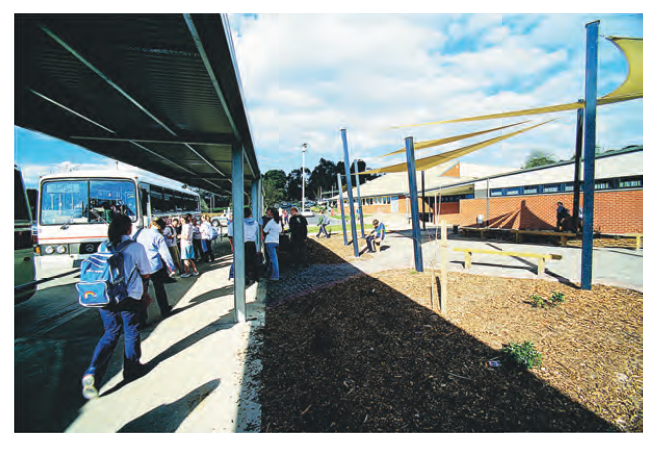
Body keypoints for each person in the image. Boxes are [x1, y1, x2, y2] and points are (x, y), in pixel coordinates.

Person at [81, 214, 151, 400]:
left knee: (110, 333)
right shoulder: (136, 247)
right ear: (128, 229)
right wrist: (145, 290)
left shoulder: (103, 246)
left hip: (105, 296)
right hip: (129, 297)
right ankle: (131, 368)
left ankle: (93, 373)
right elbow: (145, 272)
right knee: (131, 330)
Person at [134, 218, 177, 323]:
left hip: (139, 266)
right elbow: (165, 254)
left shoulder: (139, 232)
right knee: (159, 289)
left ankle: (142, 319)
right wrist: (172, 267)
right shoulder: (157, 236)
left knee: (142, 292)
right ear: (161, 228)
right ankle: (164, 309)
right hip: (154, 267)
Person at [262, 207, 281, 281]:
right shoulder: (278, 221)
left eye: (269, 212)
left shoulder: (271, 222)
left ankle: (275, 276)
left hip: (270, 242)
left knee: (273, 260)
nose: (267, 213)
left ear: (272, 213)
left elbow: (265, 230)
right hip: (276, 241)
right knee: (271, 259)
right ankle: (268, 273)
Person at [179, 214, 200, 278]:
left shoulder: (185, 226)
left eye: (181, 218)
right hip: (189, 243)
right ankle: (195, 270)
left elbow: (186, 236)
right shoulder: (190, 225)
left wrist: (180, 236)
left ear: (183, 219)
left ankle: (187, 272)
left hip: (185, 244)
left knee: (186, 259)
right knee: (190, 258)